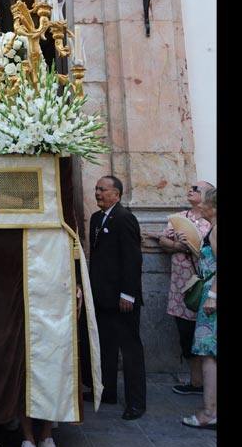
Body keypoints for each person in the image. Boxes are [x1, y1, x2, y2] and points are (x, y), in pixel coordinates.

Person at [88, 175, 146, 420]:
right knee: (106, 346)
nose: (98, 193)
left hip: (123, 298)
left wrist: (128, 294)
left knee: (130, 350)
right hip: (102, 295)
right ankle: (107, 390)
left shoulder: (125, 218)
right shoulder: (96, 218)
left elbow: (133, 259)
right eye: (96, 189)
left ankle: (136, 402)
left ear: (116, 194)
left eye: (103, 189)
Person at [153, 182, 214, 396]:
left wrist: (192, 246)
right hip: (181, 287)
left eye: (197, 189)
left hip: (203, 286)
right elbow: (162, 240)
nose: (191, 190)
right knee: (185, 333)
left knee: (204, 334)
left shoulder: (211, 223)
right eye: (191, 187)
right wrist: (178, 246)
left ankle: (203, 383)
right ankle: (195, 381)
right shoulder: (180, 217)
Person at [182, 185, 218, 430]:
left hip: (213, 296)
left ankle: (209, 412)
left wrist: (212, 295)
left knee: (208, 354)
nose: (198, 205)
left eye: (202, 201)